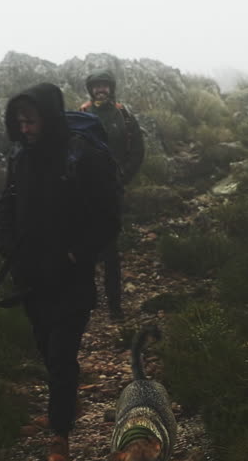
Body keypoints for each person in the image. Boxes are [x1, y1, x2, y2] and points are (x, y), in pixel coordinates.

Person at [0, 83, 121, 461]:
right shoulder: (21, 155)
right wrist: (6, 247)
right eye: (19, 123)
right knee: (48, 352)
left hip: (70, 280)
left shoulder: (82, 156)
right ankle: (65, 405)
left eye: (31, 121)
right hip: (31, 277)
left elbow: (108, 219)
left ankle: (60, 436)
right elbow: (7, 201)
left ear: (47, 118)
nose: (25, 129)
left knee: (62, 355)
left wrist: (73, 256)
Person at [79, 69, 145, 319]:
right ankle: (89, 300)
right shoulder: (82, 114)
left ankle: (115, 305)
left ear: (111, 87)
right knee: (85, 246)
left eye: (104, 85)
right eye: (96, 86)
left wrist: (122, 178)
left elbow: (138, 150)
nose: (100, 90)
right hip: (85, 192)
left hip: (113, 191)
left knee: (110, 248)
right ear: (90, 90)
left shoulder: (124, 115)